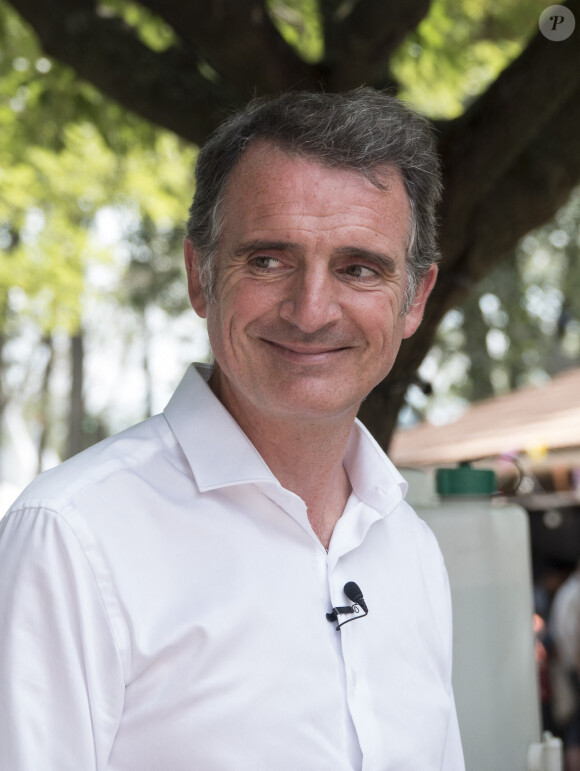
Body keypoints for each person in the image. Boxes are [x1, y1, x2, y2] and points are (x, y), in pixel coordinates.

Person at [0, 89, 465, 770]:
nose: (311, 311)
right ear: (200, 275)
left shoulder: (411, 548)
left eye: (358, 268)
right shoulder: (72, 537)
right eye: (268, 260)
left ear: (414, 299)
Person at [551, 565, 580, 770]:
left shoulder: (567, 591)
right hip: (572, 667)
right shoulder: (575, 593)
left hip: (568, 665)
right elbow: (572, 636)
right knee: (574, 725)